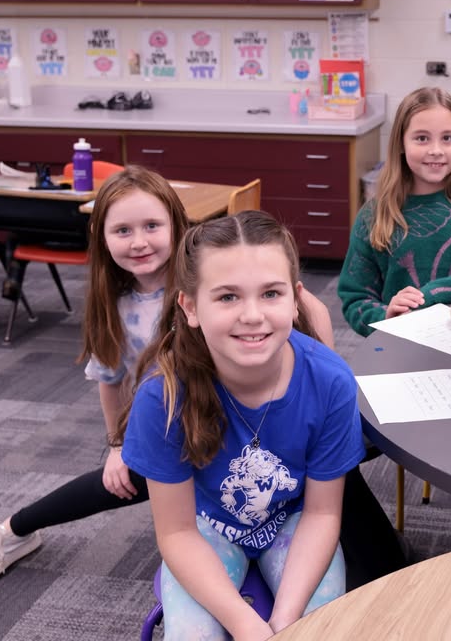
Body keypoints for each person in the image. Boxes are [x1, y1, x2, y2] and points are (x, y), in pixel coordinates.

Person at [0, 166, 334, 587]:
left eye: (152, 225)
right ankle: (12, 531)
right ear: (101, 236)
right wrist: (117, 444)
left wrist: (323, 378)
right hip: (183, 423)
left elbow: (305, 305)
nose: (139, 242)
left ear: (177, 222)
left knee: (340, 464)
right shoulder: (114, 305)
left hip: (261, 413)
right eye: (123, 230)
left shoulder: (212, 272)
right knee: (118, 479)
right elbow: (110, 380)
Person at [119, 210, 364, 640]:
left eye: (271, 293)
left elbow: (323, 513)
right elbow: (176, 532)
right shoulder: (163, 398)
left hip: (294, 519)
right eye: (228, 297)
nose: (252, 315)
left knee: (322, 629)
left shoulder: (330, 382)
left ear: (295, 298)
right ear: (191, 307)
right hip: (207, 526)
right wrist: (245, 624)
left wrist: (284, 623)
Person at [338, 86, 451, 337]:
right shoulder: (375, 217)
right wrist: (386, 315)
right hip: (402, 348)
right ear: (400, 143)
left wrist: (427, 296)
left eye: (448, 138)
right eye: (422, 138)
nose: (436, 150)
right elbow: (355, 298)